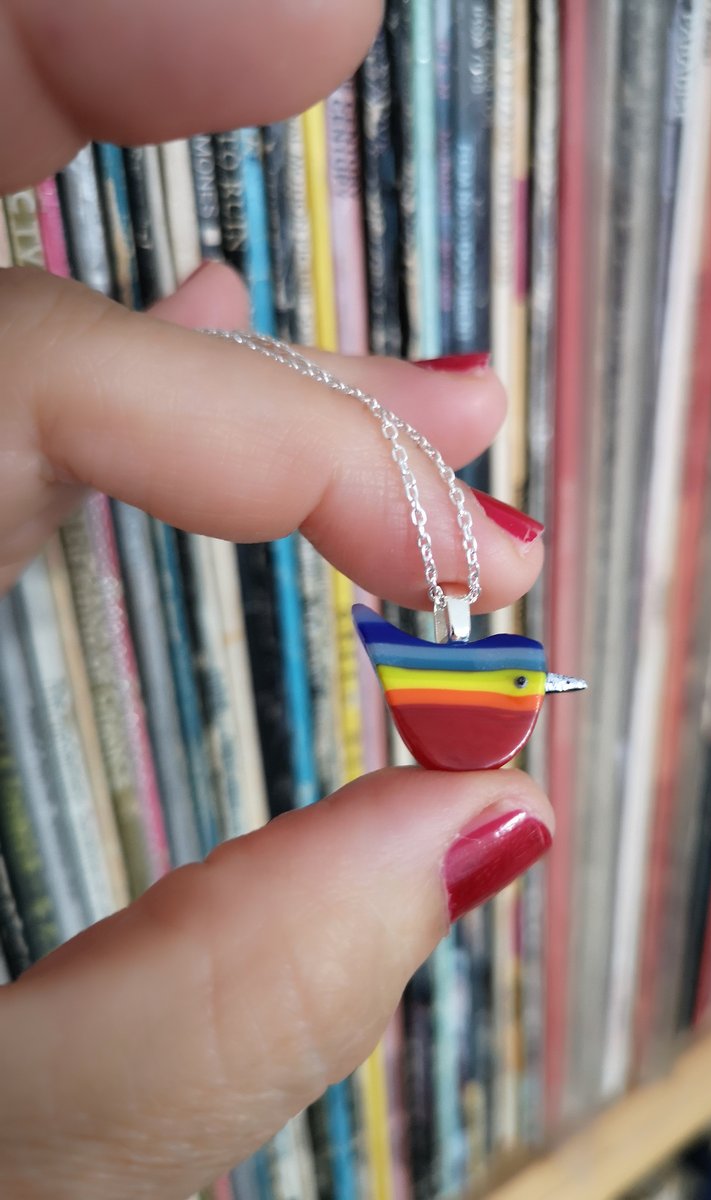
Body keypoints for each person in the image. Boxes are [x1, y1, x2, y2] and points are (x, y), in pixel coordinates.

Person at [0, 1, 554, 1195]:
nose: (534, 683)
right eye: (525, 677)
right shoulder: (453, 674)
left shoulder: (467, 669)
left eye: (524, 678)